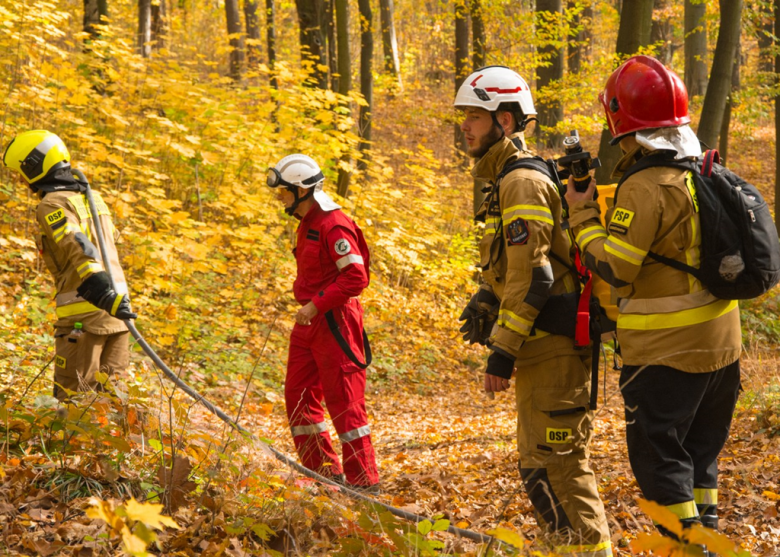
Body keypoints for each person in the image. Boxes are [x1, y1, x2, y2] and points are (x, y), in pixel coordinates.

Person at [564, 55, 741, 539]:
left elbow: (616, 268)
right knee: (700, 460)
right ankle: (707, 540)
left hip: (668, 355)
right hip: (722, 348)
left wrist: (582, 217)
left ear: (621, 119)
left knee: (661, 467)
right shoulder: (700, 168)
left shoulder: (644, 186)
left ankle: (686, 550)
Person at [455, 66, 613, 557]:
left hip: (554, 350)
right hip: (542, 350)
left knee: (558, 466)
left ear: (505, 120)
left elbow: (536, 276)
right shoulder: (503, 178)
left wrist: (500, 354)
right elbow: (513, 267)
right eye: (463, 116)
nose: (465, 126)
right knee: (540, 466)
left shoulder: (520, 181)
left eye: (475, 117)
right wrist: (487, 296)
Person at [267, 154, 380, 493]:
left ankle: (364, 484)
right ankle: (324, 475)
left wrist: (316, 306)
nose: (280, 198)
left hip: (335, 321)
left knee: (345, 405)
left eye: (284, 191)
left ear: (302, 190)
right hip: (309, 321)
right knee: (298, 397)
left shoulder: (334, 224)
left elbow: (356, 278)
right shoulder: (306, 221)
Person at [3, 130, 137, 401]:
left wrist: (100, 290)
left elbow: (77, 244)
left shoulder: (52, 203)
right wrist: (112, 296)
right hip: (118, 311)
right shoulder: (92, 197)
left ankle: (73, 444)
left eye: (22, 172)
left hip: (86, 312)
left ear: (33, 165)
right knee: (114, 399)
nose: (22, 179)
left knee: (75, 397)